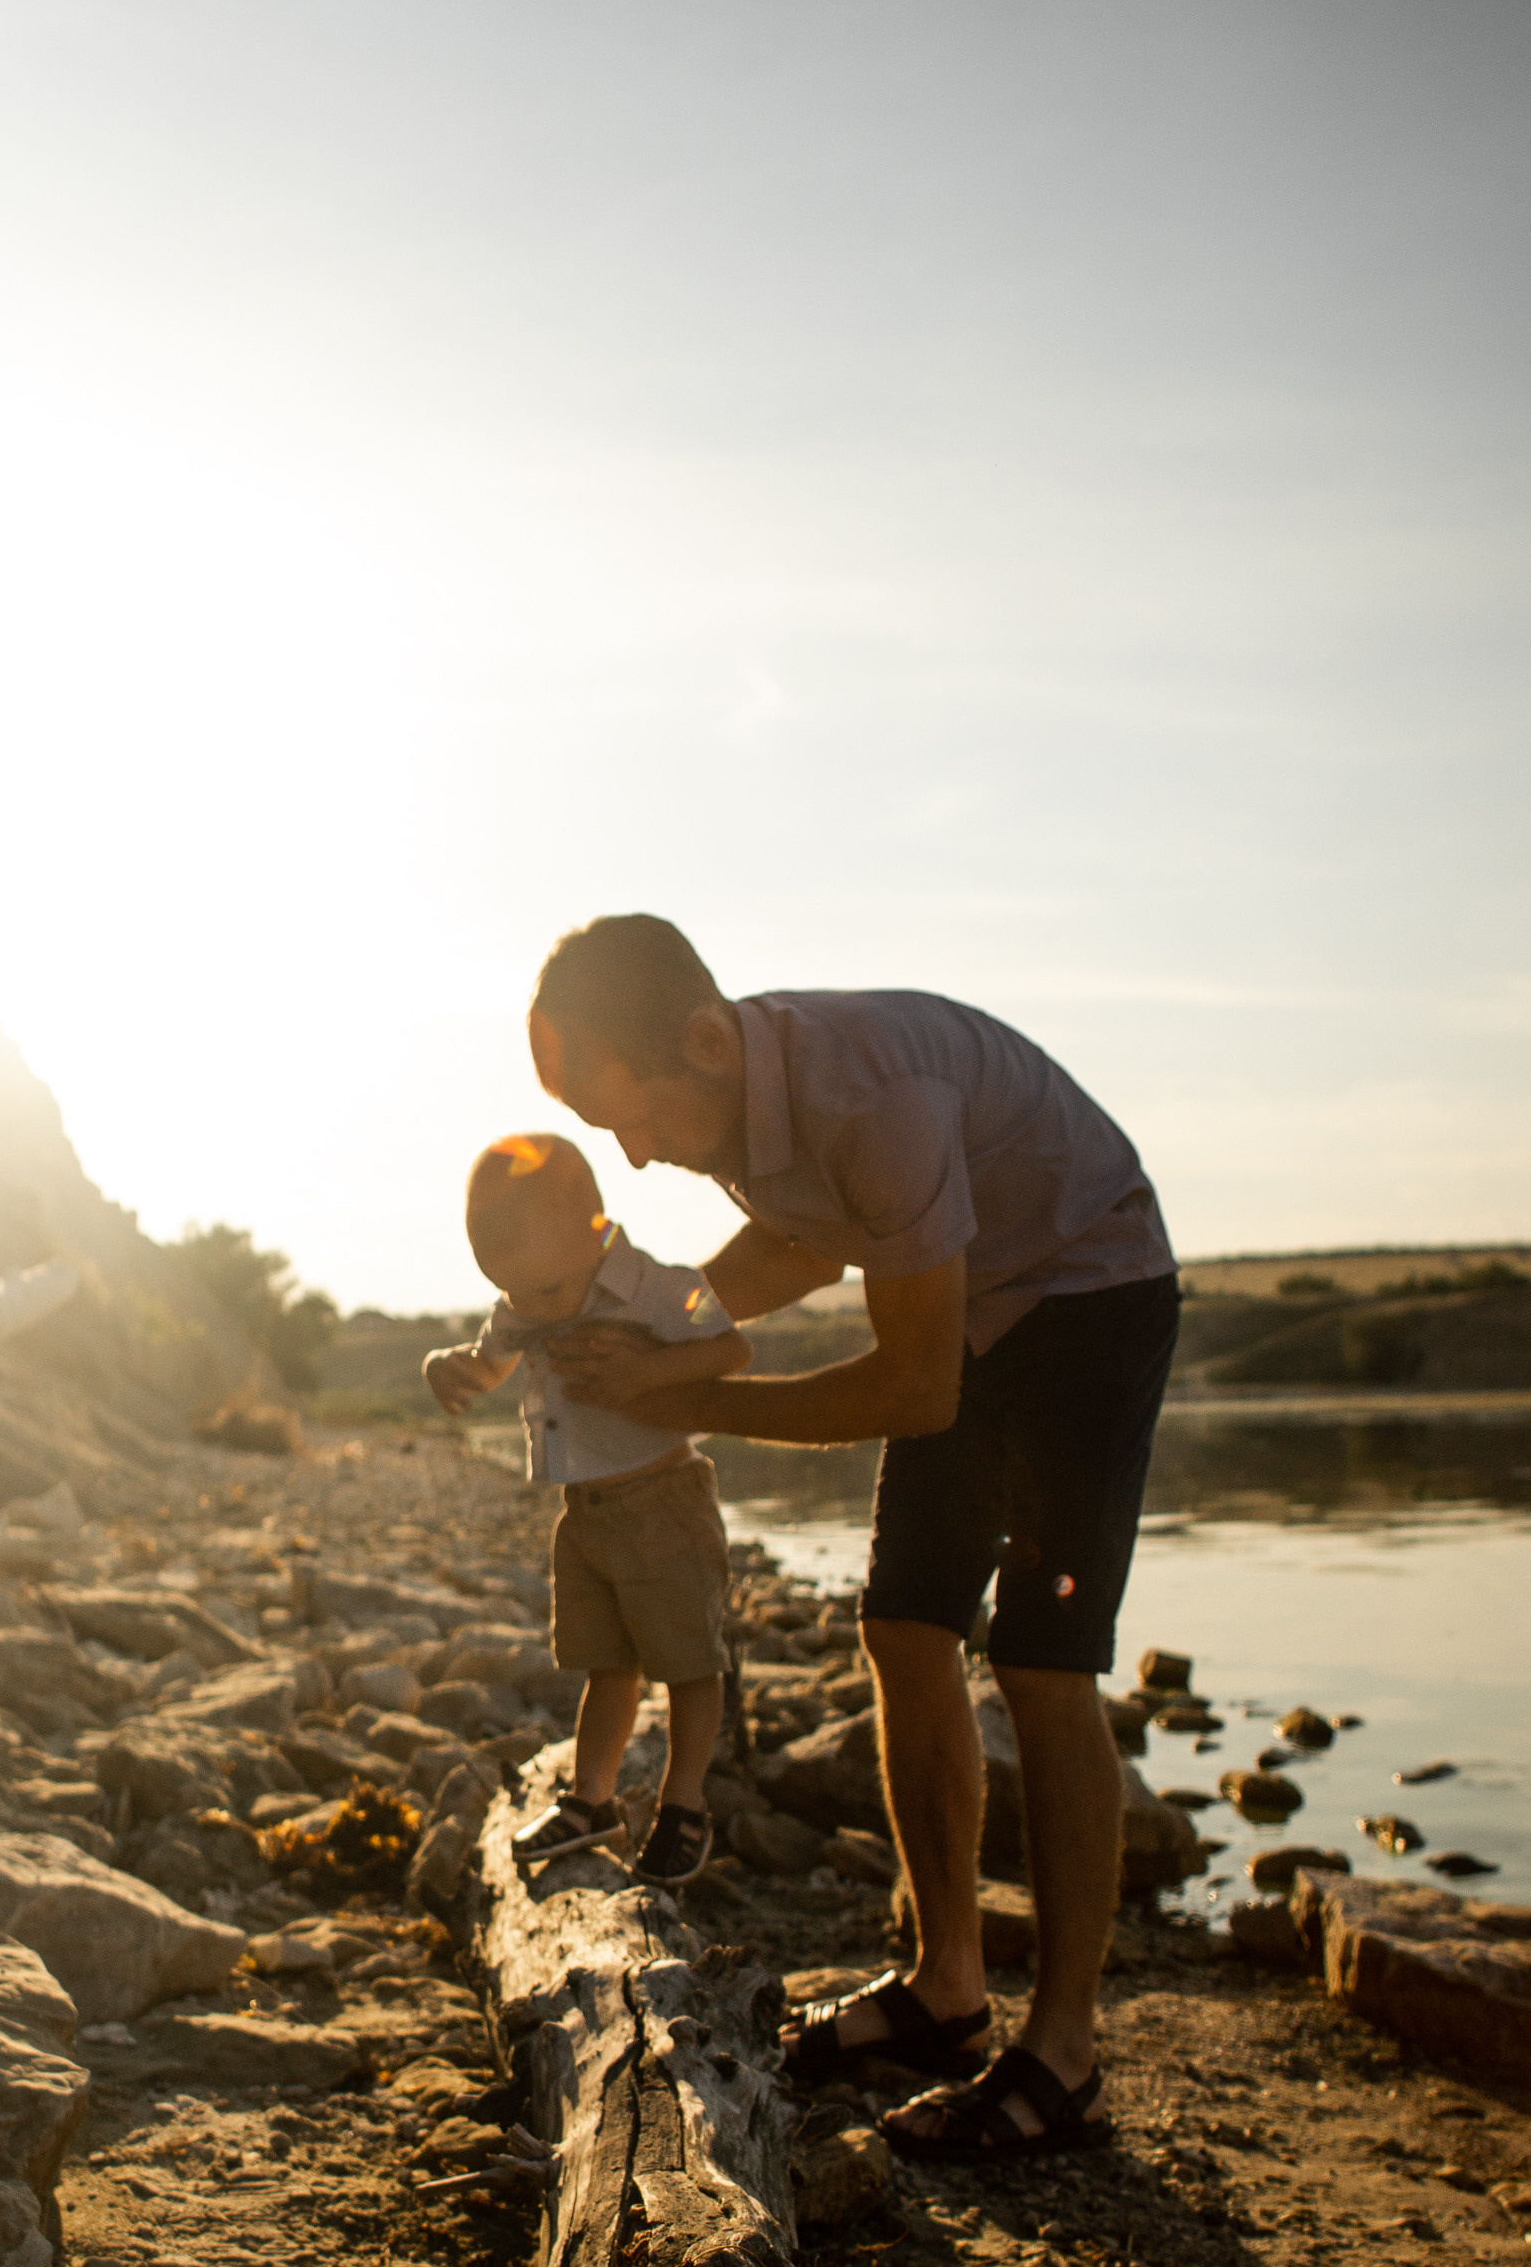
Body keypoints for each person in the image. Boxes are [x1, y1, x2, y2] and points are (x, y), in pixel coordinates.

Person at [527, 915, 1178, 2163]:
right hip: (968, 1292)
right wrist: (665, 1331)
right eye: (612, 1132)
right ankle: (946, 1990)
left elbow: (917, 1388)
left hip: (1088, 1288)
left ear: (705, 1041)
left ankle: (1066, 2055)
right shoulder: (729, 1093)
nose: (640, 1158)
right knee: (902, 1625)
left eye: (636, 1120)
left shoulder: (871, 1100)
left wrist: (692, 1397)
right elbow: (800, 1238)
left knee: (1043, 1658)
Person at [422, 1129, 750, 1886]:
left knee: (691, 1664)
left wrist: (656, 1367)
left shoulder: (665, 1287)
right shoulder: (527, 1295)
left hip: (665, 1502)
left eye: (541, 1292)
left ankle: (684, 1804)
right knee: (607, 1662)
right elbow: (491, 1356)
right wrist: (449, 1366)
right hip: (586, 1515)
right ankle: (591, 1802)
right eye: (510, 1291)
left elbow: (732, 1350)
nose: (529, 1309)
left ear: (596, 1227)